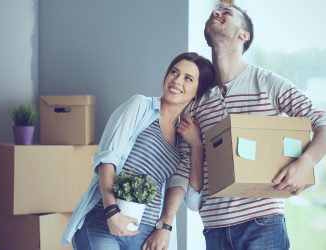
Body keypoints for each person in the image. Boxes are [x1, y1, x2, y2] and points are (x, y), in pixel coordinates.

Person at [142, 4, 326, 250]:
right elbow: (184, 170)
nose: (216, 13)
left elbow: (321, 120)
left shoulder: (268, 83)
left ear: (244, 35)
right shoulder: (196, 102)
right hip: (215, 230)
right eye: (214, 12)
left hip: (263, 224)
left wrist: (306, 162)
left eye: (225, 13)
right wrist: (164, 225)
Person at [61, 52, 215, 250]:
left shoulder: (184, 139)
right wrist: (112, 213)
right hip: (105, 220)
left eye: (188, 78)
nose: (177, 80)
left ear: (197, 91)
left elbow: (193, 200)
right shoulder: (140, 106)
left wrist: (196, 146)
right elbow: (108, 160)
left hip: (146, 235)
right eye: (174, 72)